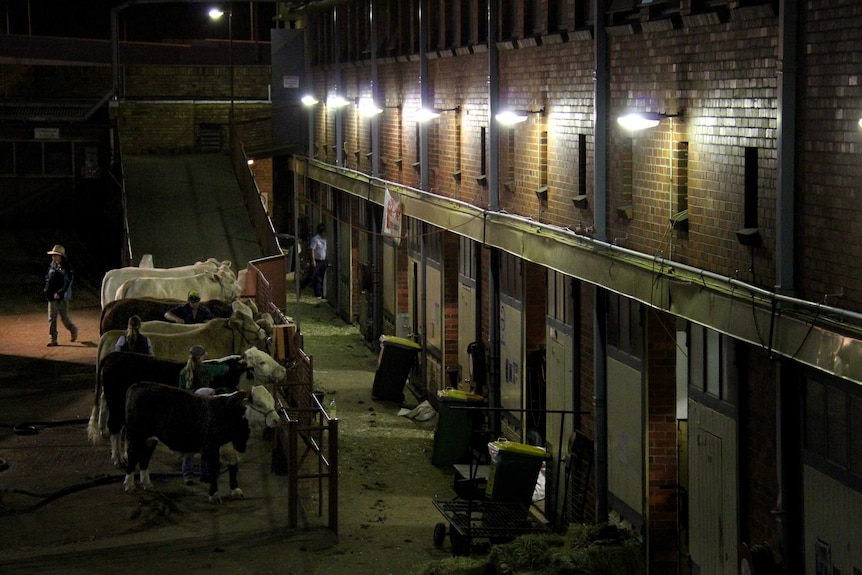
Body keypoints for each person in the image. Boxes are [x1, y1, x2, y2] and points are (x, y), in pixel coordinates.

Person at [44, 244, 78, 347]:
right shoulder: (52, 266)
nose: (53, 257)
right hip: (52, 296)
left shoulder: (67, 268)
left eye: (56, 255)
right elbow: (48, 278)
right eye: (53, 255)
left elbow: (67, 283)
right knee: (52, 318)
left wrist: (60, 293)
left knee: (64, 318)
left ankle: (73, 329)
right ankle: (53, 339)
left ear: (61, 256)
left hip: (62, 297)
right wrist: (47, 288)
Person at [300, 223, 328, 298]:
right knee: (312, 276)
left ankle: (319, 292)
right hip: (317, 260)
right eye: (325, 231)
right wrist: (313, 260)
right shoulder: (315, 239)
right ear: (322, 232)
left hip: (323, 260)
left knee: (320, 277)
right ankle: (302, 285)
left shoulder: (325, 239)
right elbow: (312, 250)